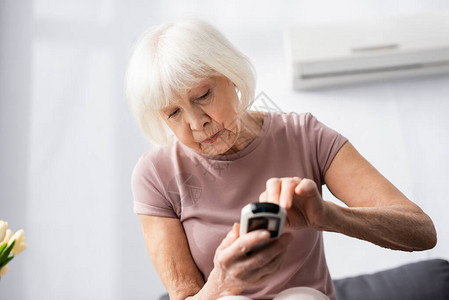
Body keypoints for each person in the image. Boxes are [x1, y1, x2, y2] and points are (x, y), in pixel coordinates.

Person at [125, 19, 437, 300]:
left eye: (202, 95)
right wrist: (222, 283)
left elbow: (421, 231)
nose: (196, 123)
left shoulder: (304, 135)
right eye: (174, 113)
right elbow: (185, 295)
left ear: (230, 76)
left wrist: (328, 216)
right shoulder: (156, 175)